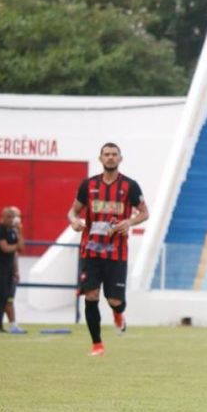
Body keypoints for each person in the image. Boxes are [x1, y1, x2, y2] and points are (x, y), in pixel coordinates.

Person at [69, 142, 149, 357]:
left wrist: (129, 222)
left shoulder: (130, 186)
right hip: (90, 251)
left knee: (115, 300)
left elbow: (144, 213)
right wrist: (74, 222)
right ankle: (97, 344)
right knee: (91, 296)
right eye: (107, 154)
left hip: (117, 253)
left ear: (120, 159)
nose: (111, 158)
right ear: (100, 158)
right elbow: (73, 212)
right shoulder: (88, 185)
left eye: (114, 154)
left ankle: (117, 314)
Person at [0, 207, 24, 333]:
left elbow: (21, 247)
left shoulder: (13, 231)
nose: (11, 220)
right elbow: (5, 248)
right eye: (9, 217)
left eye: (13, 217)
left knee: (6, 297)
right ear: (2, 216)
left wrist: (19, 231)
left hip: (9, 269)